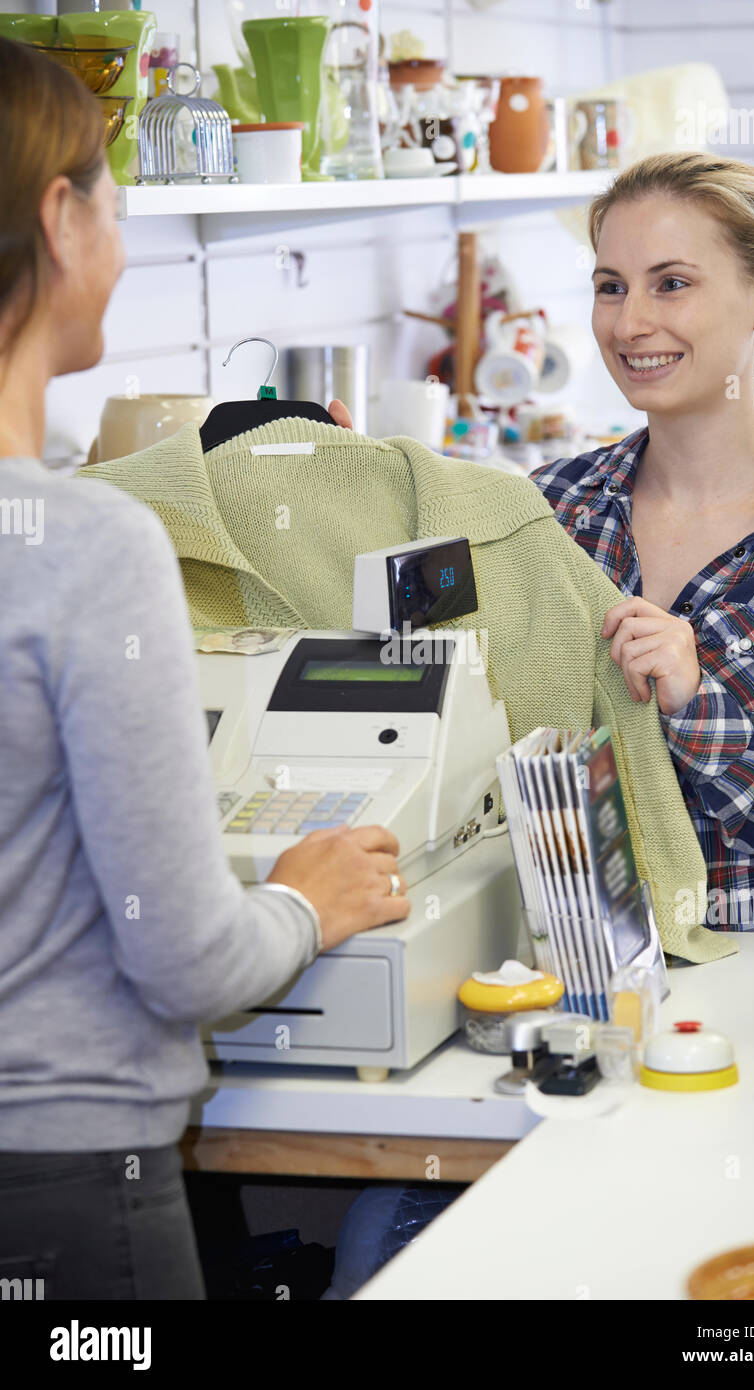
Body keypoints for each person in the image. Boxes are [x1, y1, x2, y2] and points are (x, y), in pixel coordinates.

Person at [0, 38, 409, 1300]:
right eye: (115, 195)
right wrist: (307, 898)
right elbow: (184, 960)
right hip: (66, 1195)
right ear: (62, 220)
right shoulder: (85, 545)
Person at [532, 151, 754, 934]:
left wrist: (698, 707)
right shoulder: (550, 510)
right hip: (575, 979)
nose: (628, 323)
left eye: (670, 283)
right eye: (610, 286)